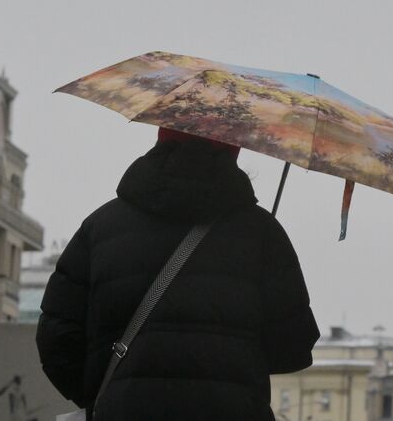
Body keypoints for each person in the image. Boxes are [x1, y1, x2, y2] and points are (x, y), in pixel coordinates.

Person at [36, 128, 320, 420]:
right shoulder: (263, 234)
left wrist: (104, 396)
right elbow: (294, 348)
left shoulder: (99, 228)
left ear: (162, 137)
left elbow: (56, 338)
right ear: (233, 147)